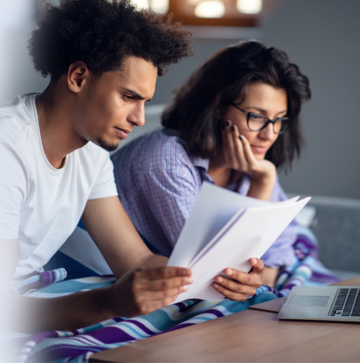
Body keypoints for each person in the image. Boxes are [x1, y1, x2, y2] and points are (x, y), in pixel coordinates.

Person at [0, 0, 264, 334]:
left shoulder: (91, 154)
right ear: (77, 77)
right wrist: (108, 302)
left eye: (145, 102)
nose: (138, 118)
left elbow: (136, 261)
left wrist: (221, 276)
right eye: (128, 97)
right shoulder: (0, 150)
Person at [111, 40, 312, 288]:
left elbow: (279, 257)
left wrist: (263, 175)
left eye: (279, 120)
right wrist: (263, 182)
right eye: (257, 116)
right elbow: (219, 272)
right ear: (218, 107)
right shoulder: (165, 163)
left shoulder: (251, 161)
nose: (269, 134)